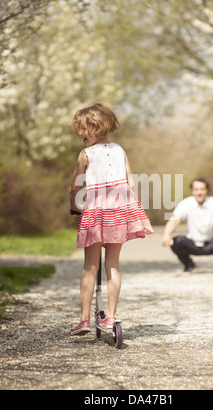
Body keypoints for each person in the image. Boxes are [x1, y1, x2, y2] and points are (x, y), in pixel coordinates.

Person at [69, 103, 153, 335]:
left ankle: (85, 319)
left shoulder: (85, 155)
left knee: (90, 266)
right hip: (120, 211)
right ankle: (111, 316)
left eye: (83, 130)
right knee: (113, 265)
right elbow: (131, 182)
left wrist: (74, 206)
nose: (80, 135)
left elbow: (75, 186)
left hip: (96, 212)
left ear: (95, 128)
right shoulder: (119, 150)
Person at [162, 177, 213, 274]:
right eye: (196, 189)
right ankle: (188, 265)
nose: (199, 192)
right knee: (176, 242)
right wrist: (166, 235)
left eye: (202, 189)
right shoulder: (185, 203)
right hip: (192, 244)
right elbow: (174, 220)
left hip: (212, 243)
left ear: (207, 190)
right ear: (192, 191)